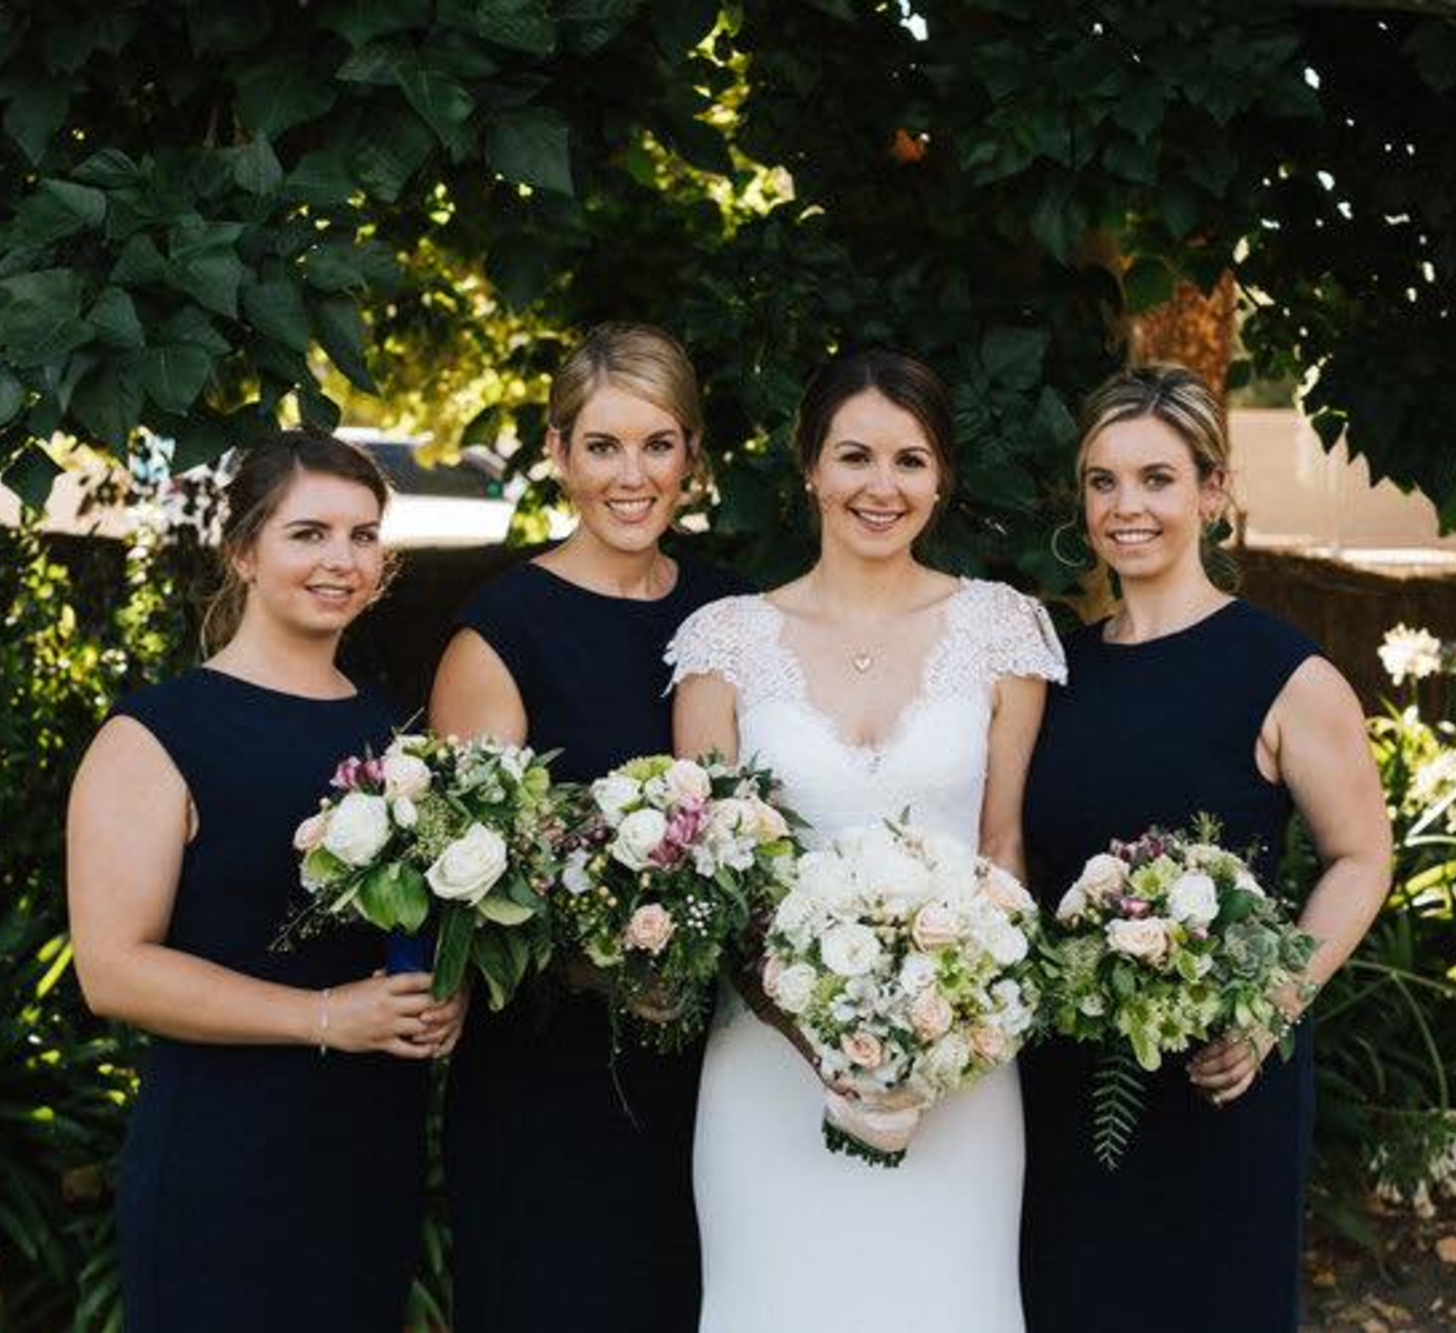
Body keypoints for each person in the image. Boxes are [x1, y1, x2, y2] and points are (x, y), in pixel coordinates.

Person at [671, 347, 1063, 1332]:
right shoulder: (723, 642)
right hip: (769, 1064)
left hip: (955, 1065)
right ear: (809, 466)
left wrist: (951, 1031)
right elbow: (711, 879)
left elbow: (1002, 851)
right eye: (854, 456)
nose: (880, 487)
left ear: (941, 478)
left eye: (909, 460)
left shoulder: (1001, 629)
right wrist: (823, 1045)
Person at [1017, 364, 1392, 1332]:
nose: (1125, 506)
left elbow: (1361, 856)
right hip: (1067, 1082)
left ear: (1211, 491)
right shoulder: (1053, 672)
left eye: (1156, 478)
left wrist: (1273, 1006)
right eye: (1102, 481)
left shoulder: (1283, 672)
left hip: (1221, 1074)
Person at [66, 431, 464, 1332]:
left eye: (363, 535)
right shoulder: (154, 736)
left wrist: (446, 993)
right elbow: (113, 970)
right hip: (223, 1168)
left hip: (368, 1163)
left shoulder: (396, 736)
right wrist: (325, 1015)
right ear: (244, 550)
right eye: (309, 533)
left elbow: (405, 934)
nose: (342, 560)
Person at [430, 323, 749, 1332]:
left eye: (657, 445)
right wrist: (613, 964)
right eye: (602, 446)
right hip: (549, 1082)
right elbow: (471, 892)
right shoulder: (501, 633)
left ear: (692, 456)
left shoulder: (730, 614)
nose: (631, 476)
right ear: (558, 453)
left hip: (719, 1075)